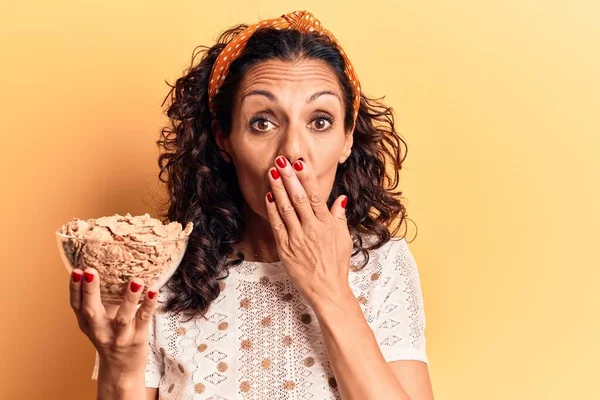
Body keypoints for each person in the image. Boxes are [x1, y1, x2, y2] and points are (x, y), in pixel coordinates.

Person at [69, 10, 434, 399]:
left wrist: (330, 288)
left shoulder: (383, 266)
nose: (293, 149)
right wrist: (120, 364)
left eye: (320, 121)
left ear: (347, 138)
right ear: (224, 140)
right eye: (263, 122)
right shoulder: (164, 274)